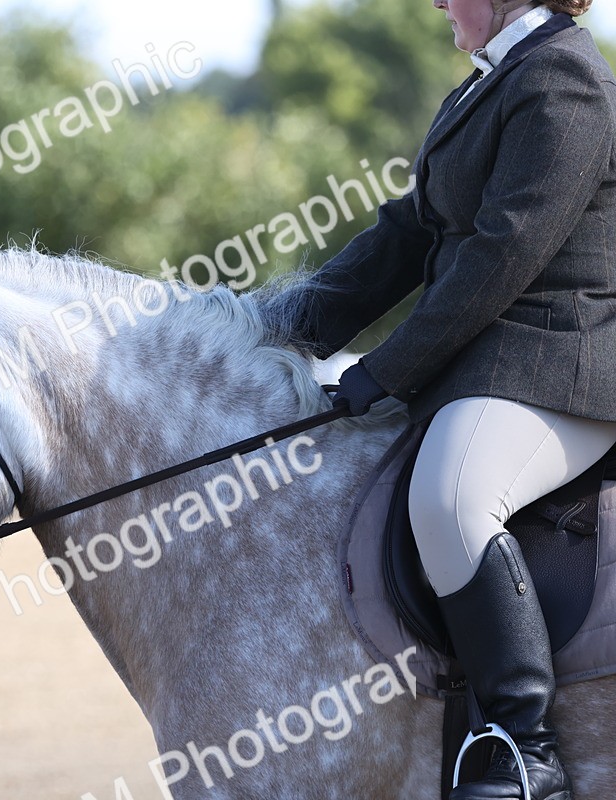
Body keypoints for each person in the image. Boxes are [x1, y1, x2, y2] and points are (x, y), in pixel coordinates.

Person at [275, 1, 616, 798]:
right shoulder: (487, 83)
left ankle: (523, 746)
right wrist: (280, 324)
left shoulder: (566, 79)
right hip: (488, 365)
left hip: (556, 366)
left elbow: (506, 252)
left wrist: (386, 369)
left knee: (453, 498)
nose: (434, 1)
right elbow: (410, 232)